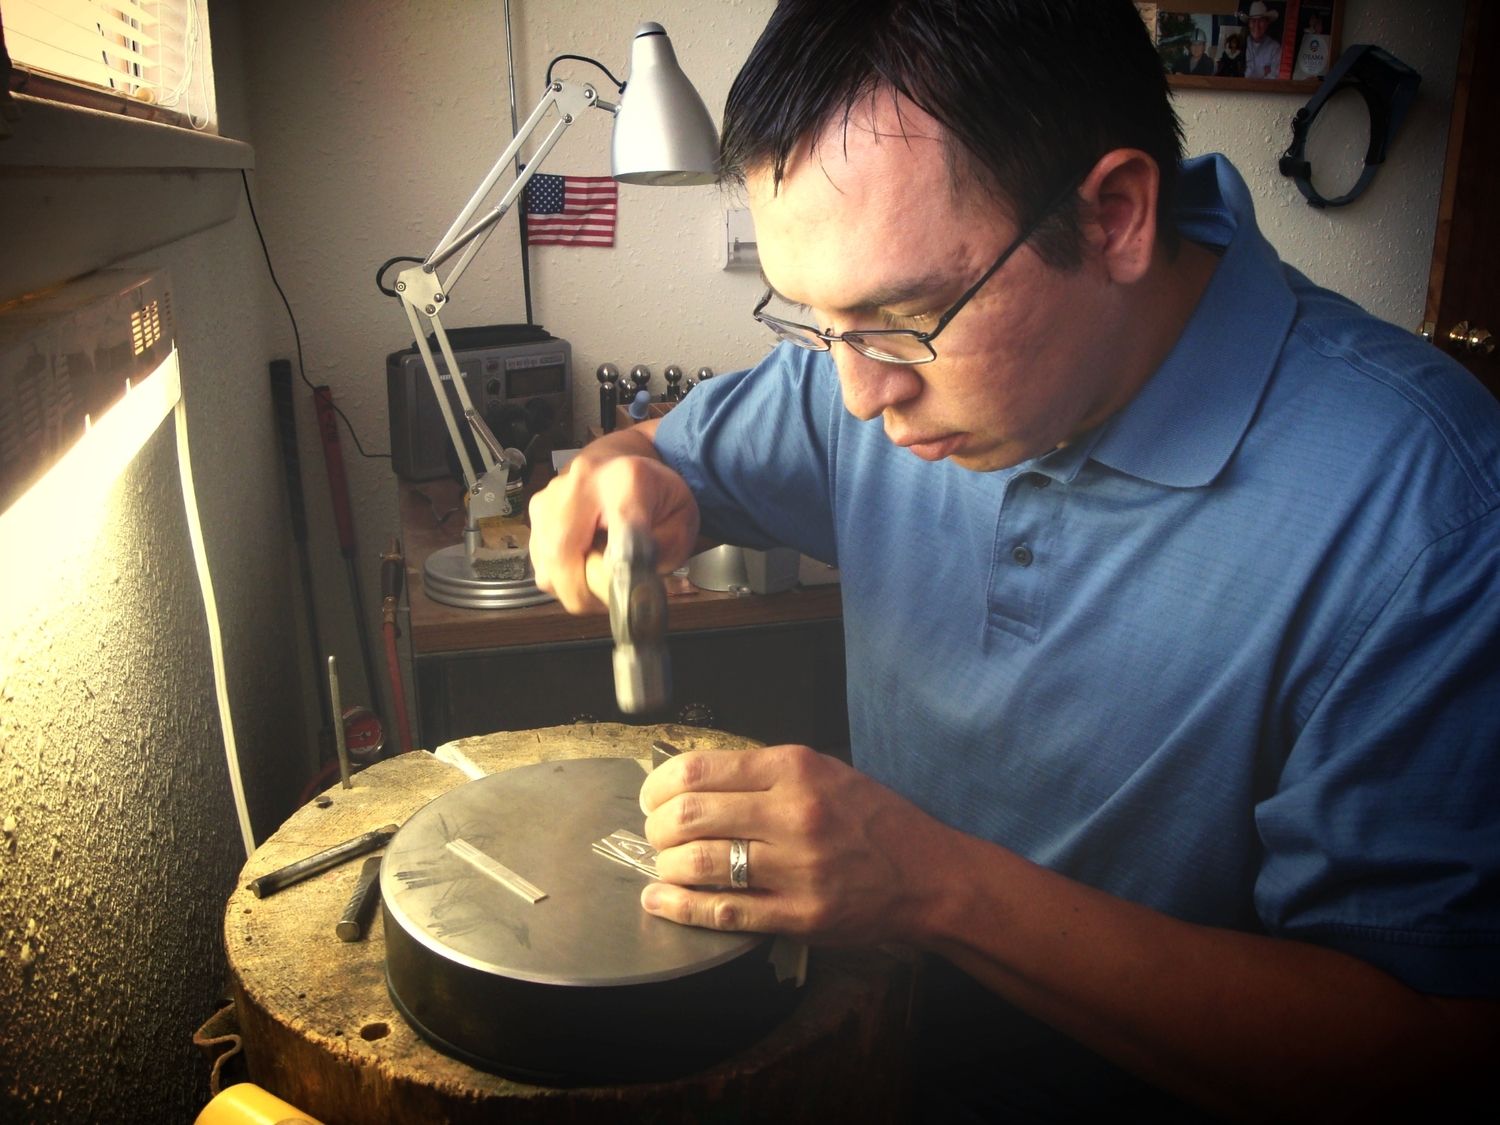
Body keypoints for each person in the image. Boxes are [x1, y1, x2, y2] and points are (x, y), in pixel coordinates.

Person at [528, 0, 1500, 1119]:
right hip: (866, 1062)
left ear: (1116, 217)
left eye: (904, 314)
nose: (858, 395)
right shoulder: (869, 369)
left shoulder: (1428, 510)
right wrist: (617, 471)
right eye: (818, 322)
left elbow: (1423, 1049)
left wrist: (929, 886)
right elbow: (659, 453)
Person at [1241, 0, 1283, 78]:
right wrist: (1263, 73)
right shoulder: (1241, 44)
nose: (1257, 26)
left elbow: (1274, 78)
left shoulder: (1275, 48)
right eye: (1253, 21)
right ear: (1249, 24)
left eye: (1261, 21)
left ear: (1267, 23)